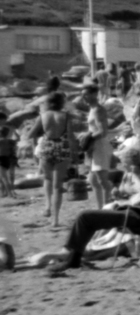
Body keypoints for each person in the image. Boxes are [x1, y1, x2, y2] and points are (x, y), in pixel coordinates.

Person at [33, 143, 140, 274]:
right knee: (97, 215)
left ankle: (72, 257)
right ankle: (74, 256)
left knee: (85, 217)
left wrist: (130, 200)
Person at [30, 91, 73, 229]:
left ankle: (47, 206)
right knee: (58, 186)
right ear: (61, 103)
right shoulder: (66, 116)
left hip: (46, 148)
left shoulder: (42, 116)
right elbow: (71, 136)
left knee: (47, 179)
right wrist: (75, 155)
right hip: (62, 148)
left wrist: (42, 132)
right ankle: (55, 219)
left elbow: (30, 133)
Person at [81, 84, 115, 209]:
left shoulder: (98, 110)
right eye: (83, 94)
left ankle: (107, 207)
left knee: (102, 180)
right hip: (94, 146)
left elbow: (103, 131)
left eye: (86, 94)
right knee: (93, 181)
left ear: (95, 94)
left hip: (99, 145)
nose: (83, 97)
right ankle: (100, 207)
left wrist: (88, 137)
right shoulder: (92, 108)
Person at [0, 121, 16, 197]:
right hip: (7, 159)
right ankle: (4, 193)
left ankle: (10, 194)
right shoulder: (10, 141)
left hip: (1, 159)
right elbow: (17, 140)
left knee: (4, 178)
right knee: (3, 177)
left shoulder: (1, 141)